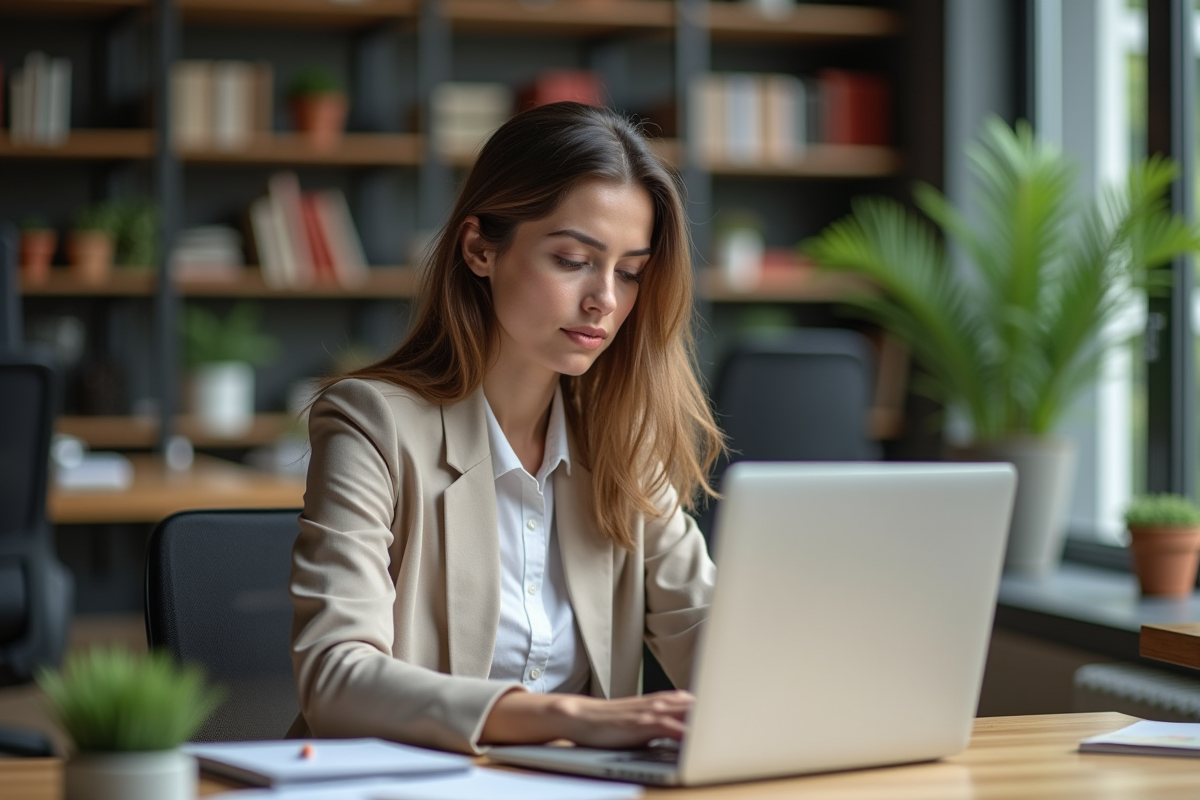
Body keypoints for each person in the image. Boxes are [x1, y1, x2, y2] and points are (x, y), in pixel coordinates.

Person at [288, 101, 724, 755]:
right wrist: (569, 718)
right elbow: (336, 679)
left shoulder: (619, 439)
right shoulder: (372, 424)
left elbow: (711, 636)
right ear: (480, 248)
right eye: (574, 259)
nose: (606, 298)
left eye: (630, 272)